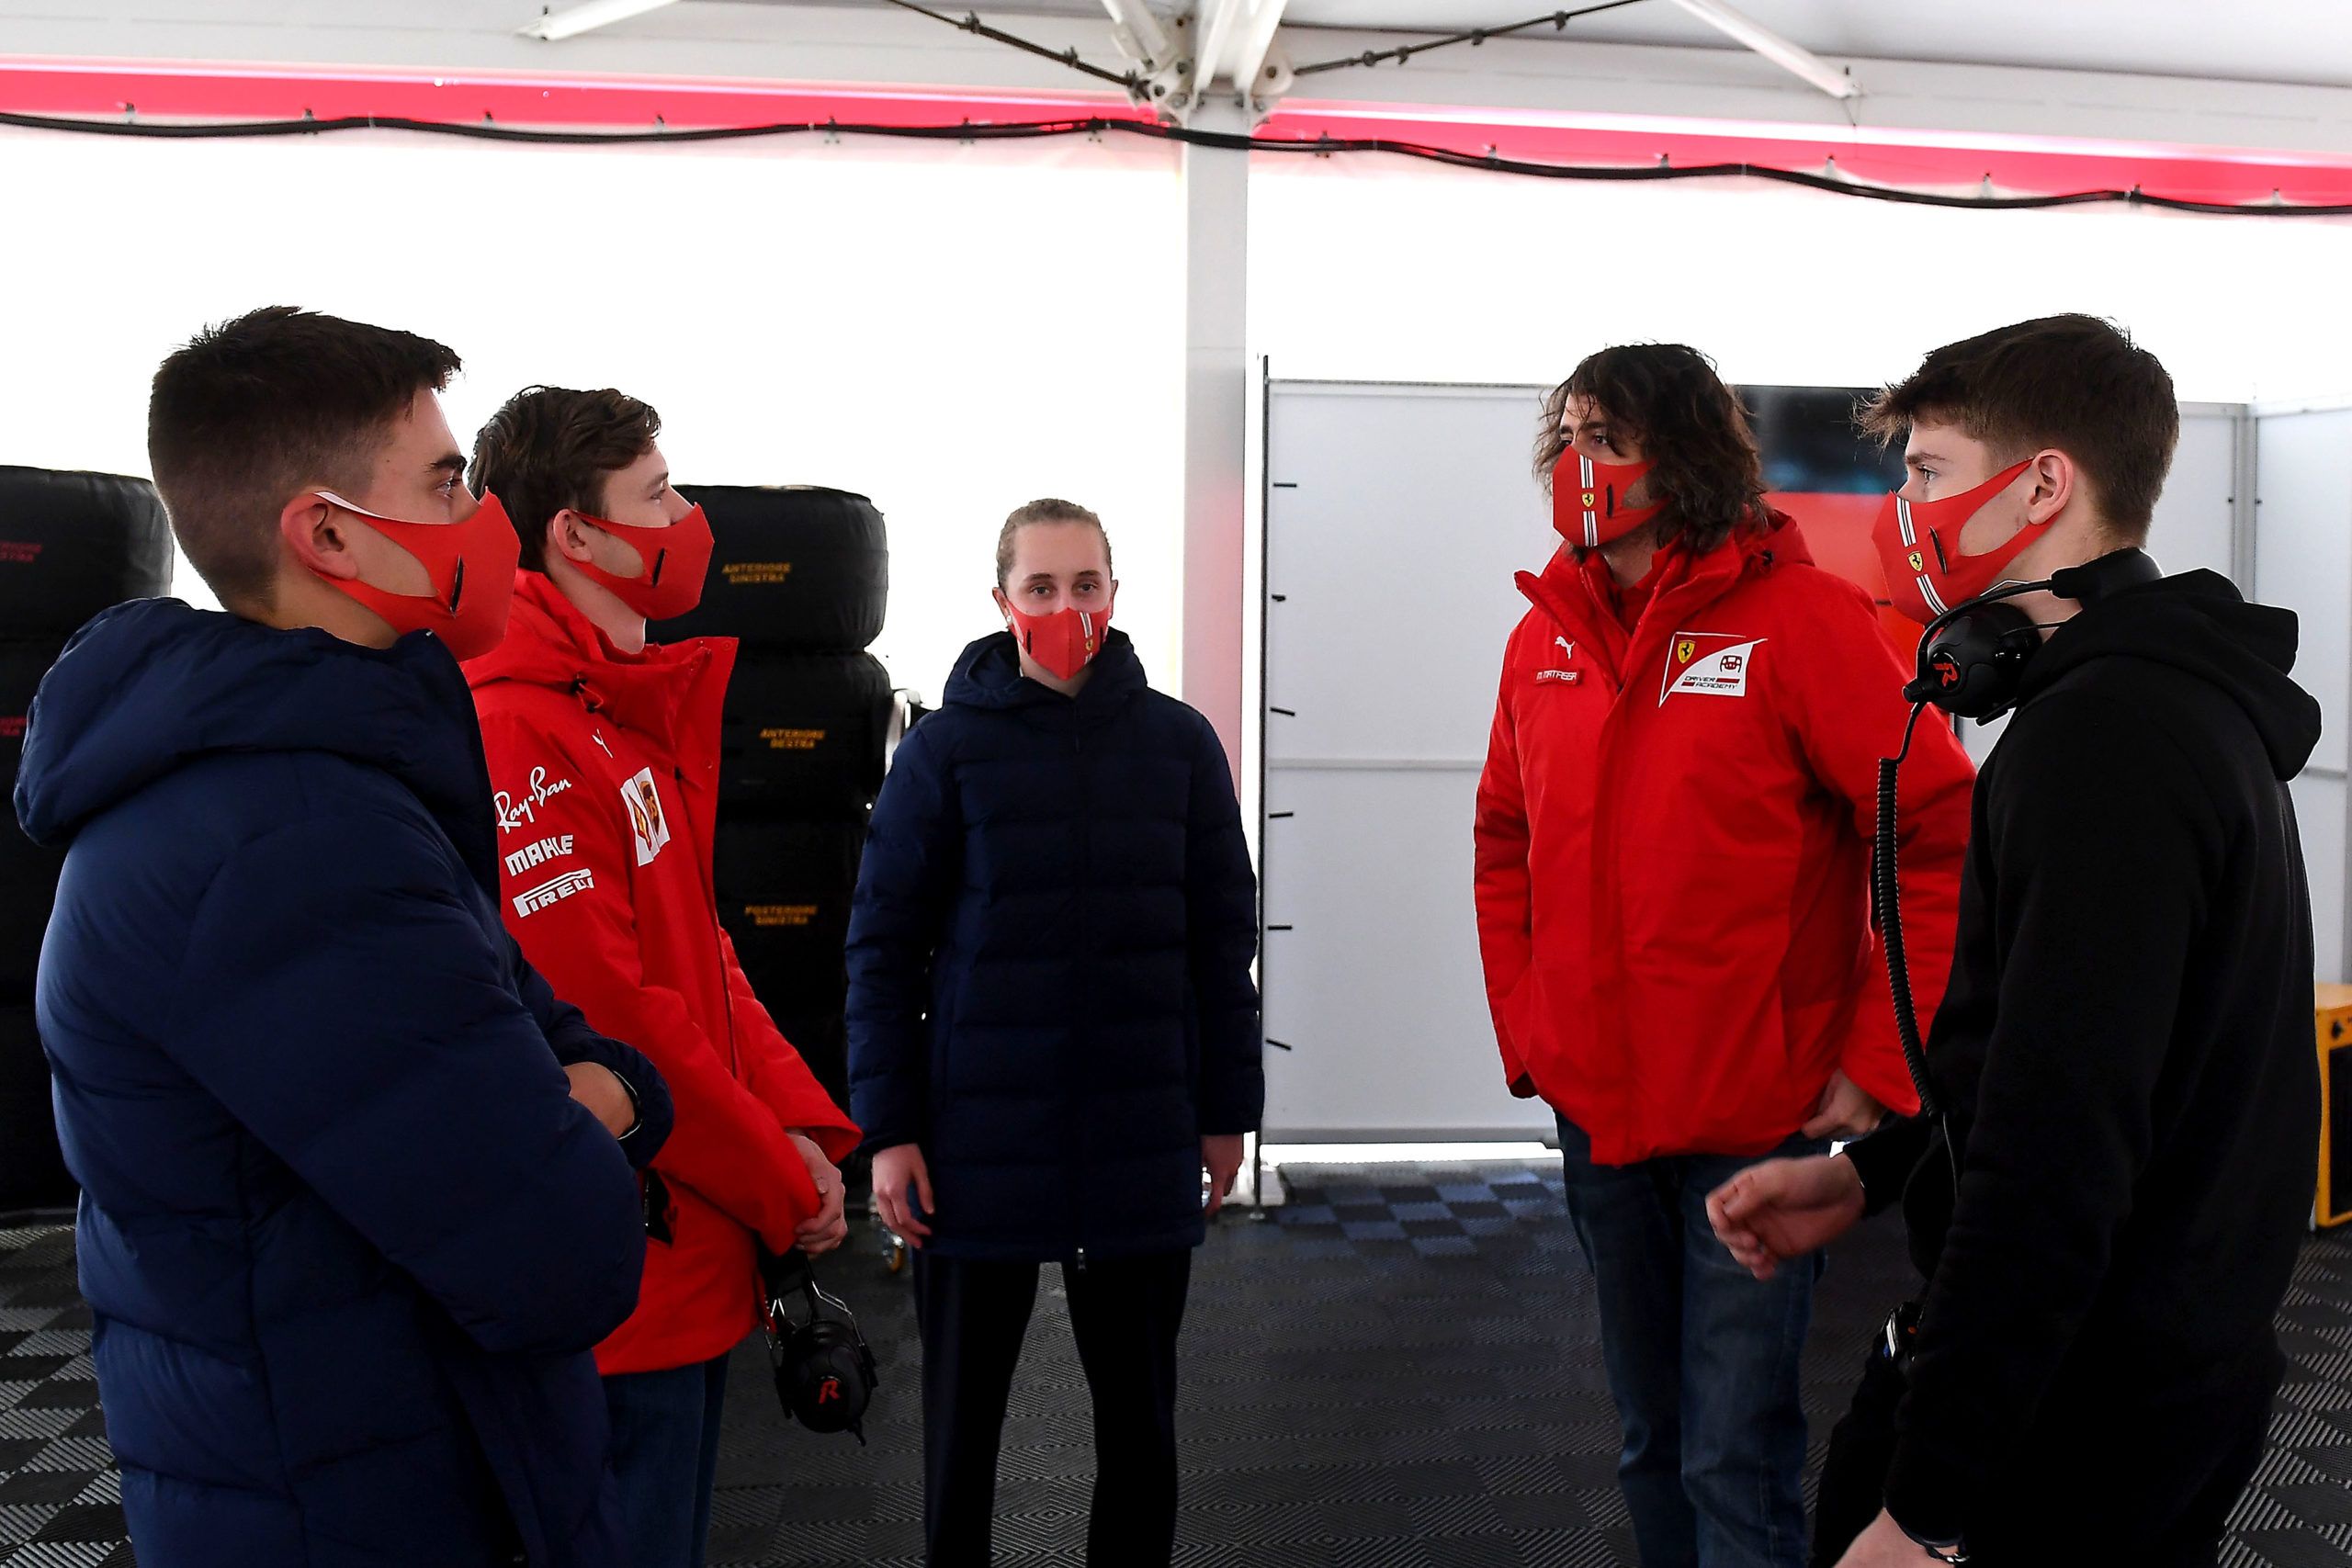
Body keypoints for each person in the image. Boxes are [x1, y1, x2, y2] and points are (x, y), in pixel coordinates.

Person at [11, 307, 674, 1567]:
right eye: (445, 482)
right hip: (364, 1505)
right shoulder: (287, 842)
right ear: (326, 533)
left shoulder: (332, 783)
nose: (480, 516)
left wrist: (591, 1092)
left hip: (378, 1462)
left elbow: (573, 1049)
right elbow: (562, 1251)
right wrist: (594, 1103)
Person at [1708, 314, 2322, 1568]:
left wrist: (1926, 1507)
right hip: (2160, 1372)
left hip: (2073, 1413)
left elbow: (2061, 1149)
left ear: (2044, 484)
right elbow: (2097, 1058)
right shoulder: (2170, 702)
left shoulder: (2101, 741)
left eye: (1929, 470)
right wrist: (1875, 1173)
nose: (1902, 513)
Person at [1473, 344, 1976, 1568]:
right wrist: (1531, 1028)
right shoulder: (1544, 636)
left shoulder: (1802, 621)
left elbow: (1936, 832)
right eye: (1569, 438)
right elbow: (1504, 839)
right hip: (1597, 1113)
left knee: (1731, 1455)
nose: (1580, 464)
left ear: (1687, 456)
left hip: (1753, 1117)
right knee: (1650, 1439)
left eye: (1609, 439)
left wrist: (1881, 1058)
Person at [465, 385, 862, 1568]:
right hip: (617, 1274)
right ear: (576, 535)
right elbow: (613, 1019)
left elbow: (705, 959)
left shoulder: (616, 707)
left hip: (691, 1248)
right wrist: (779, 1182)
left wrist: (797, 1128)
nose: (689, 520)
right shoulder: (522, 731)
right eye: (659, 496)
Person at [846, 499, 1261, 1566]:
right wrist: (888, 1130)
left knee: (1140, 1433)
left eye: (1085, 585)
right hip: (972, 1146)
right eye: (1041, 587)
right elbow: (880, 949)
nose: (1065, 607)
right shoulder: (942, 753)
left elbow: (1223, 944)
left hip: (1138, 1136)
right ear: (1003, 601)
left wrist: (1226, 1114)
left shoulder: (1179, 746)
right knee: (960, 1440)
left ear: (1115, 594)